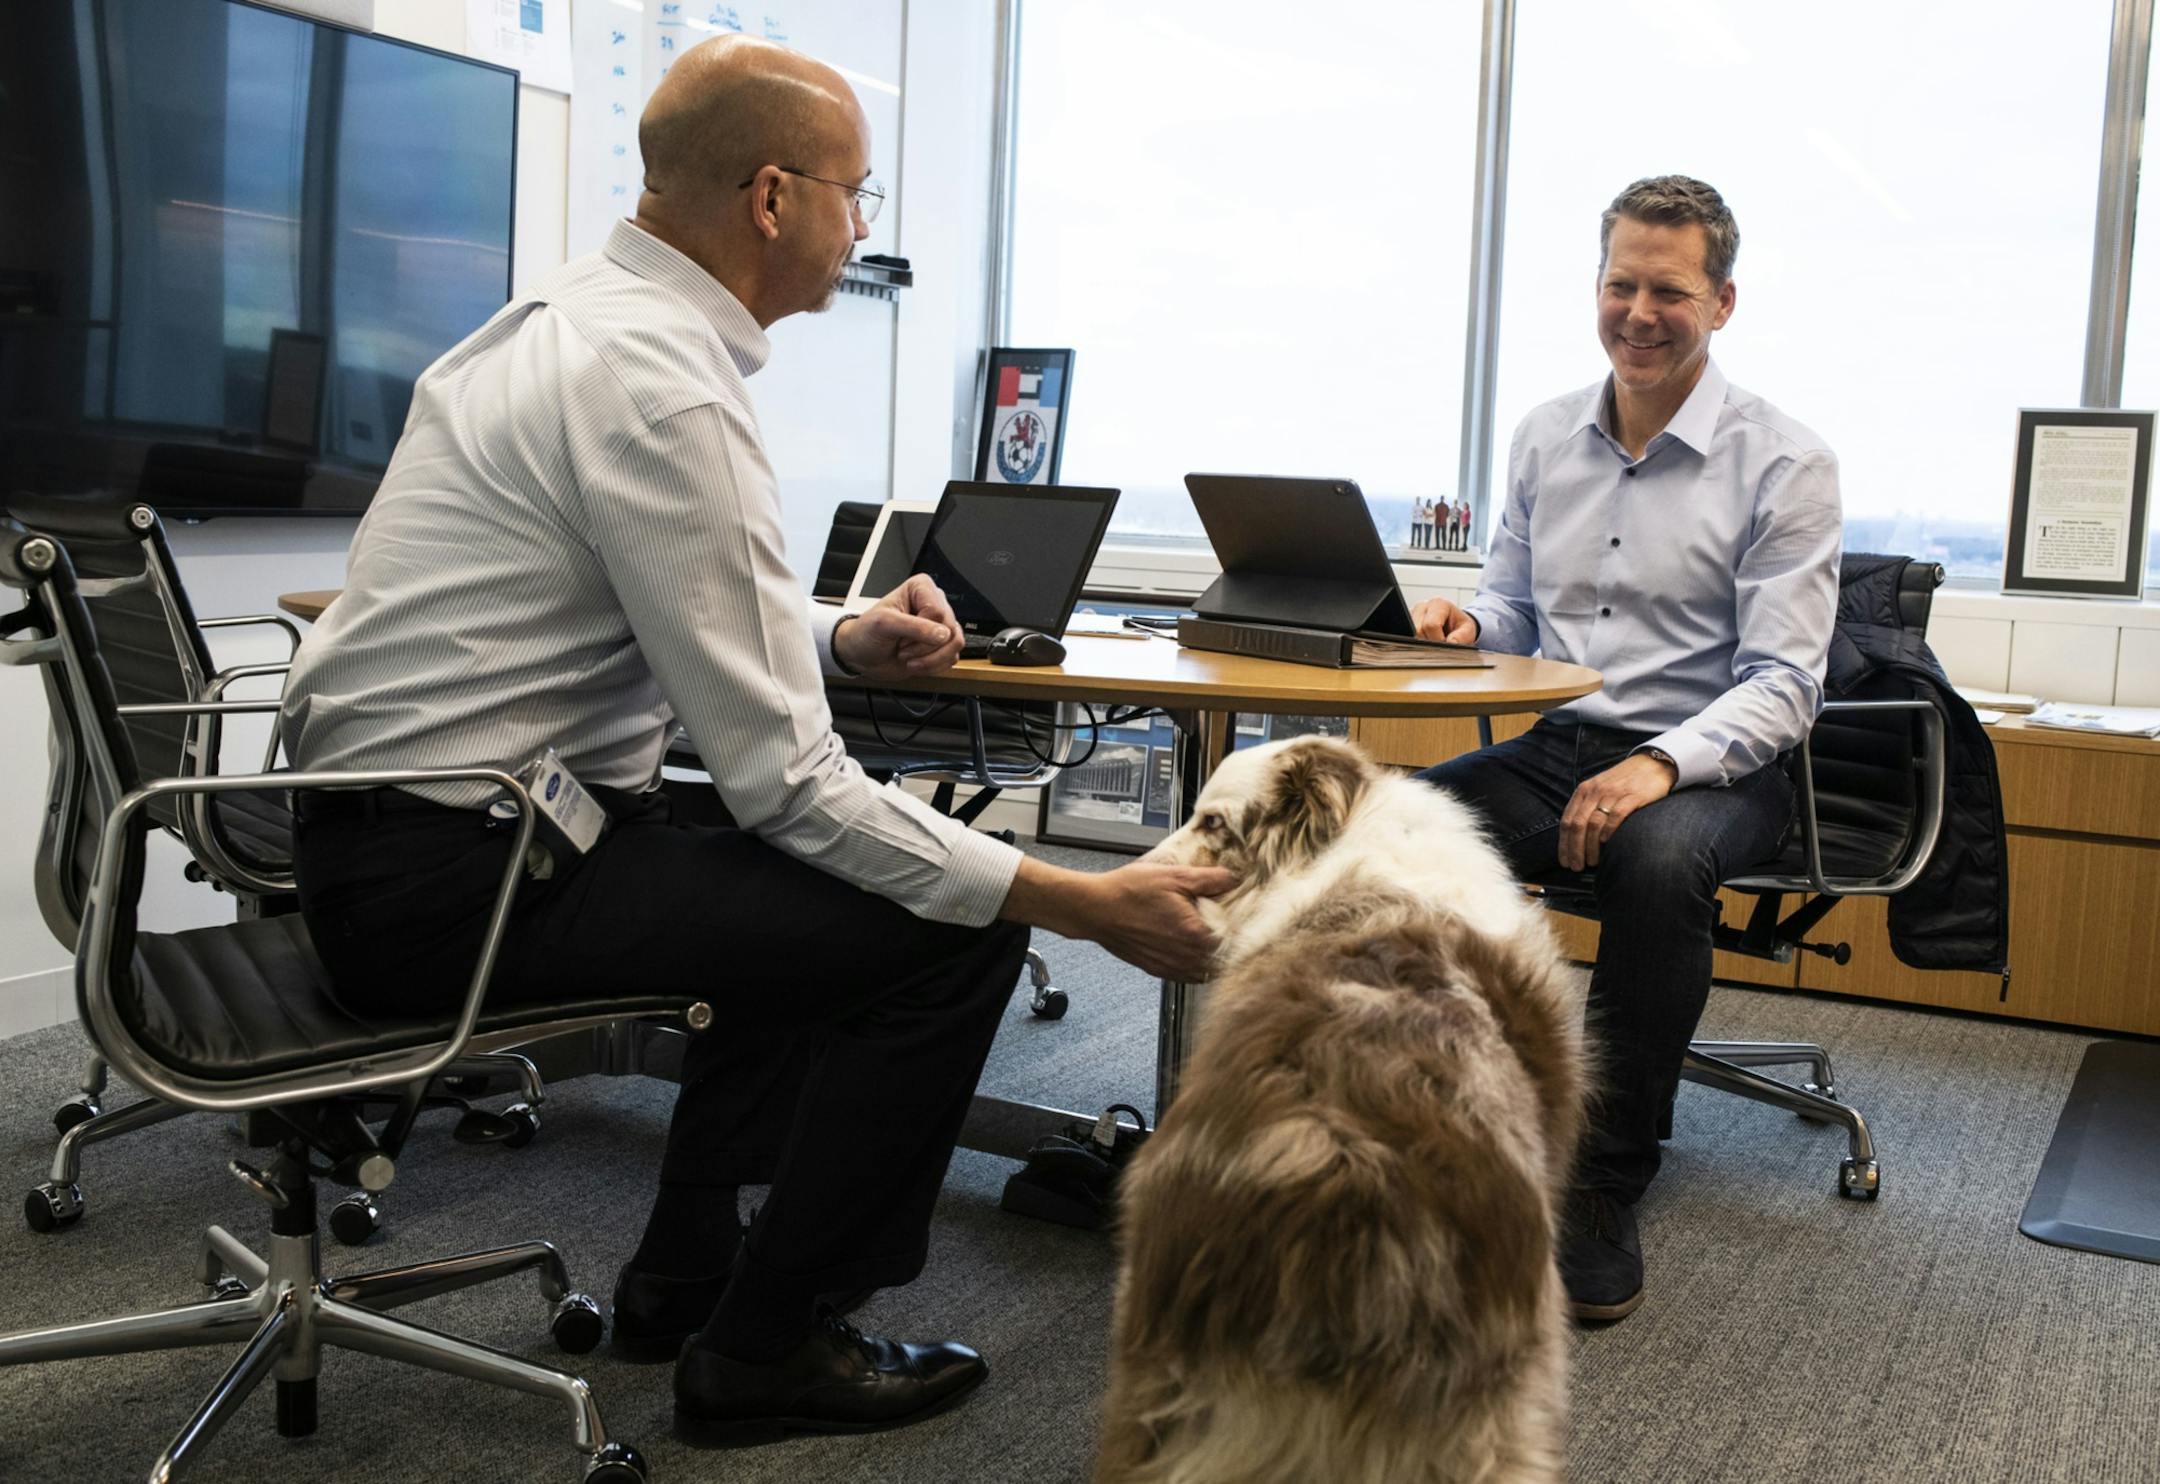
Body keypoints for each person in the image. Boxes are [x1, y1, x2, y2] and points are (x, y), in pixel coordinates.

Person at [279, 33, 1233, 1441]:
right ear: (776, 198)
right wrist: (1077, 900)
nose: (864, 230)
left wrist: (836, 639)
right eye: (861, 198)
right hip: (460, 884)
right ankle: (773, 1345)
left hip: (408, 844)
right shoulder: (662, 382)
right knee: (954, 933)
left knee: (828, 887)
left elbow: (659, 594)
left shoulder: (567, 321)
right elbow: (791, 784)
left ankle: (689, 1275)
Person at [1411, 175, 1840, 1323]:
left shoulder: (1785, 461)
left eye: (1670, 290)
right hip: (1567, 740)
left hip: (1723, 763)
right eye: (1620, 283)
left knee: (1654, 862)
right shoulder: (1547, 433)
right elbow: (1512, 611)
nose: (1639, 312)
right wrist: (1465, 626)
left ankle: (1601, 1181)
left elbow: (1787, 682)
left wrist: (1657, 766)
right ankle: (1422, 1120)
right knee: (1391, 830)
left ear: (1724, 301)